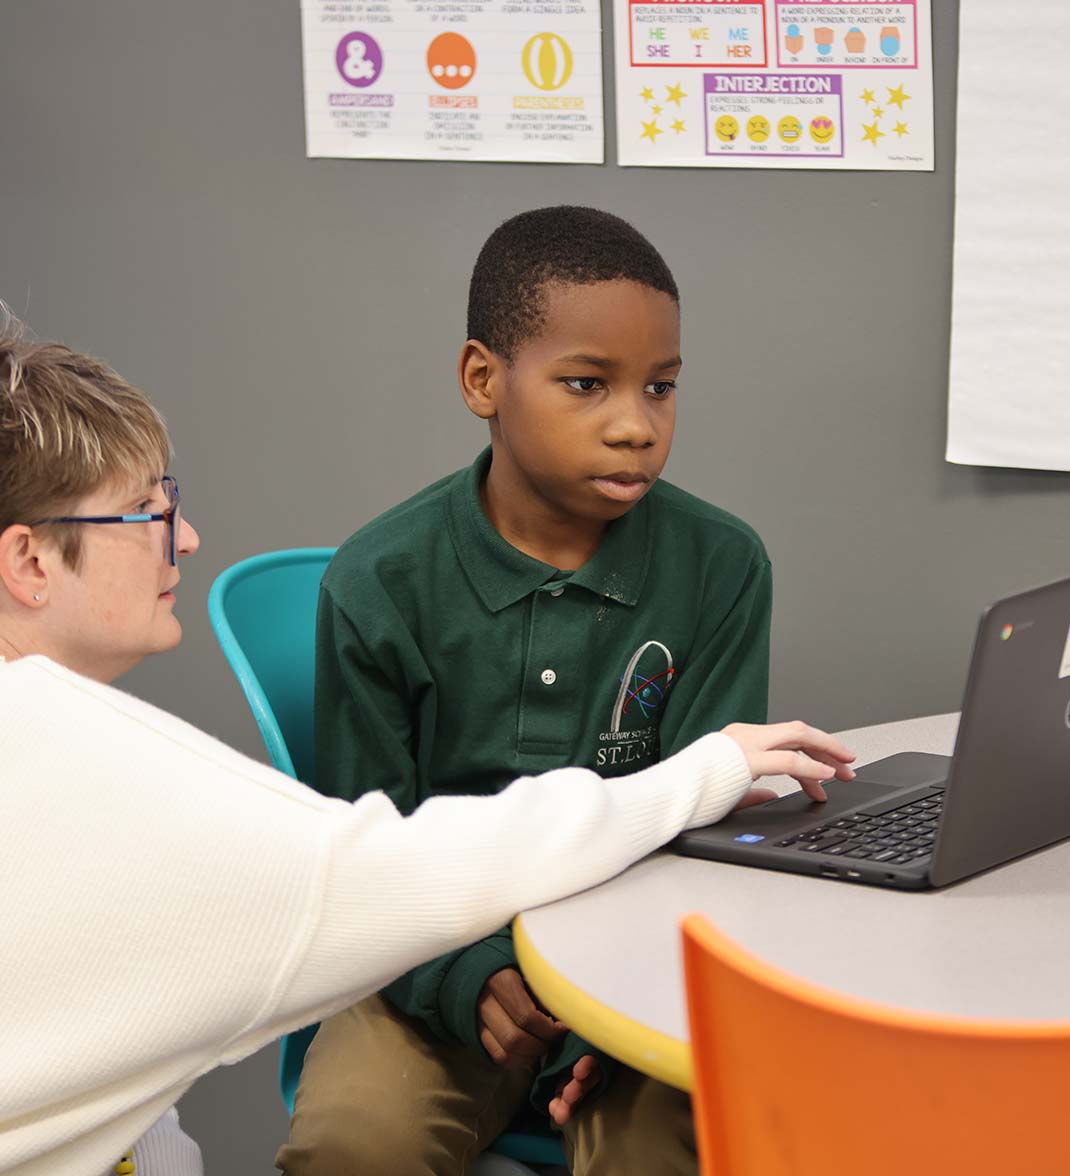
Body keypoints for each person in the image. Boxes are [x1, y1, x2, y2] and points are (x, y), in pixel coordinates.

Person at [0, 314, 855, 1176]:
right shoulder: (125, 778)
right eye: (148, 510)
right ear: (29, 562)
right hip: (430, 968)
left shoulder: (719, 561)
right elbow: (380, 877)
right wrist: (707, 772)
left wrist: (625, 1006)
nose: (183, 536)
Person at [280, 206, 857, 1176]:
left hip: (644, 973)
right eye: (587, 385)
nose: (636, 425)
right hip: (437, 957)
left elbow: (703, 829)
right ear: (482, 381)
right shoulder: (380, 581)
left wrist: (608, 1028)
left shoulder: (721, 565)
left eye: (662, 388)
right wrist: (463, 978)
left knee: (667, 1149)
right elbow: (366, 856)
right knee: (352, 1147)